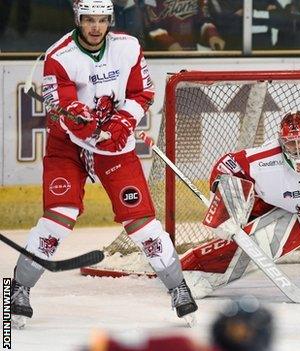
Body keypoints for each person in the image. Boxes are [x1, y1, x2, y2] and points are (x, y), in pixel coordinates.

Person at [9, 0, 197, 329]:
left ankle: (178, 287)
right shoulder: (59, 56)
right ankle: (19, 289)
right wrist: (79, 119)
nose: (95, 27)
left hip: (114, 147)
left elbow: (143, 92)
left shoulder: (128, 47)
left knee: (141, 222)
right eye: (88, 20)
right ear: (78, 19)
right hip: (67, 146)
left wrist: (124, 121)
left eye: (101, 20)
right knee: (58, 219)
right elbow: (61, 105)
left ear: (110, 19)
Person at [180, 111, 300, 292]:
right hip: (282, 215)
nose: (298, 148)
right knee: (250, 244)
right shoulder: (263, 160)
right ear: (281, 141)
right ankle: (195, 274)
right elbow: (225, 166)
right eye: (290, 143)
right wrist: (225, 210)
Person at [84, 297, 273, 351]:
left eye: (242, 331)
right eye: (235, 328)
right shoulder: (180, 345)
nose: (240, 334)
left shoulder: (180, 344)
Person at [144, 0, 225, 51]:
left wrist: (212, 35)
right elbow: (152, 25)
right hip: (162, 57)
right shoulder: (150, 1)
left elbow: (204, 18)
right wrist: (169, 43)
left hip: (192, 53)